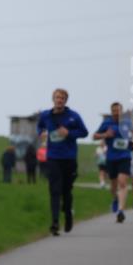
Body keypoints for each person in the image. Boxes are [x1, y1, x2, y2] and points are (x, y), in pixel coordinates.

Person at [36, 88, 89, 236]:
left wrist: (69, 133)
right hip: (52, 157)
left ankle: (68, 214)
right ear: (53, 99)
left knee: (66, 190)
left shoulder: (73, 116)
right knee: (54, 190)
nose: (59, 100)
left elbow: (84, 132)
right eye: (57, 97)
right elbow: (39, 126)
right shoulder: (46, 115)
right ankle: (54, 222)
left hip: (69, 158)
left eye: (62, 98)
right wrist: (41, 133)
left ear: (66, 101)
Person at [93, 102, 133, 223]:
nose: (117, 112)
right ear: (111, 112)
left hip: (125, 156)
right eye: (114, 111)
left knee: (122, 182)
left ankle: (121, 210)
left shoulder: (127, 123)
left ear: (122, 111)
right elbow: (94, 136)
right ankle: (115, 199)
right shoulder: (107, 123)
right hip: (111, 158)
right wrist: (105, 134)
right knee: (113, 185)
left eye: (119, 110)